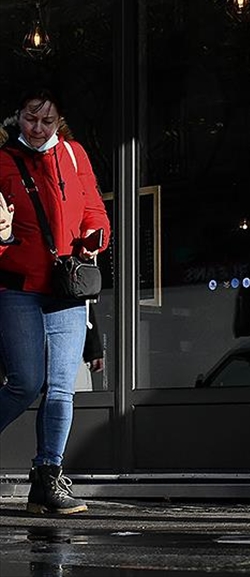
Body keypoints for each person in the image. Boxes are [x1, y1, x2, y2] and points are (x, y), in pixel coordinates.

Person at [0, 88, 111, 514]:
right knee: (25, 382)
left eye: (47, 120)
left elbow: (93, 210)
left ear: (59, 119)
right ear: (18, 117)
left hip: (65, 286)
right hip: (17, 286)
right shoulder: (3, 160)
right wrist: (4, 235)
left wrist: (94, 240)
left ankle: (47, 478)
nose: (38, 128)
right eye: (31, 119)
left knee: (62, 388)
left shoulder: (74, 155)